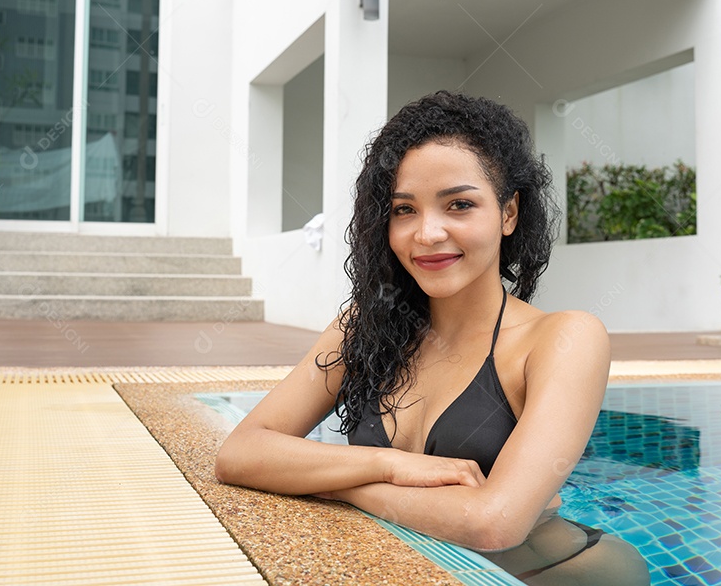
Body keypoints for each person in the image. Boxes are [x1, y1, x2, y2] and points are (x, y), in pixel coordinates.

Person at [216, 91, 650, 584]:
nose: (427, 233)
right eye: (405, 210)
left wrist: (336, 483)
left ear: (508, 213)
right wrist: (389, 465)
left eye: (459, 205)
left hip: (555, 570)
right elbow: (240, 453)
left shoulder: (563, 339)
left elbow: (494, 525)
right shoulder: (365, 327)